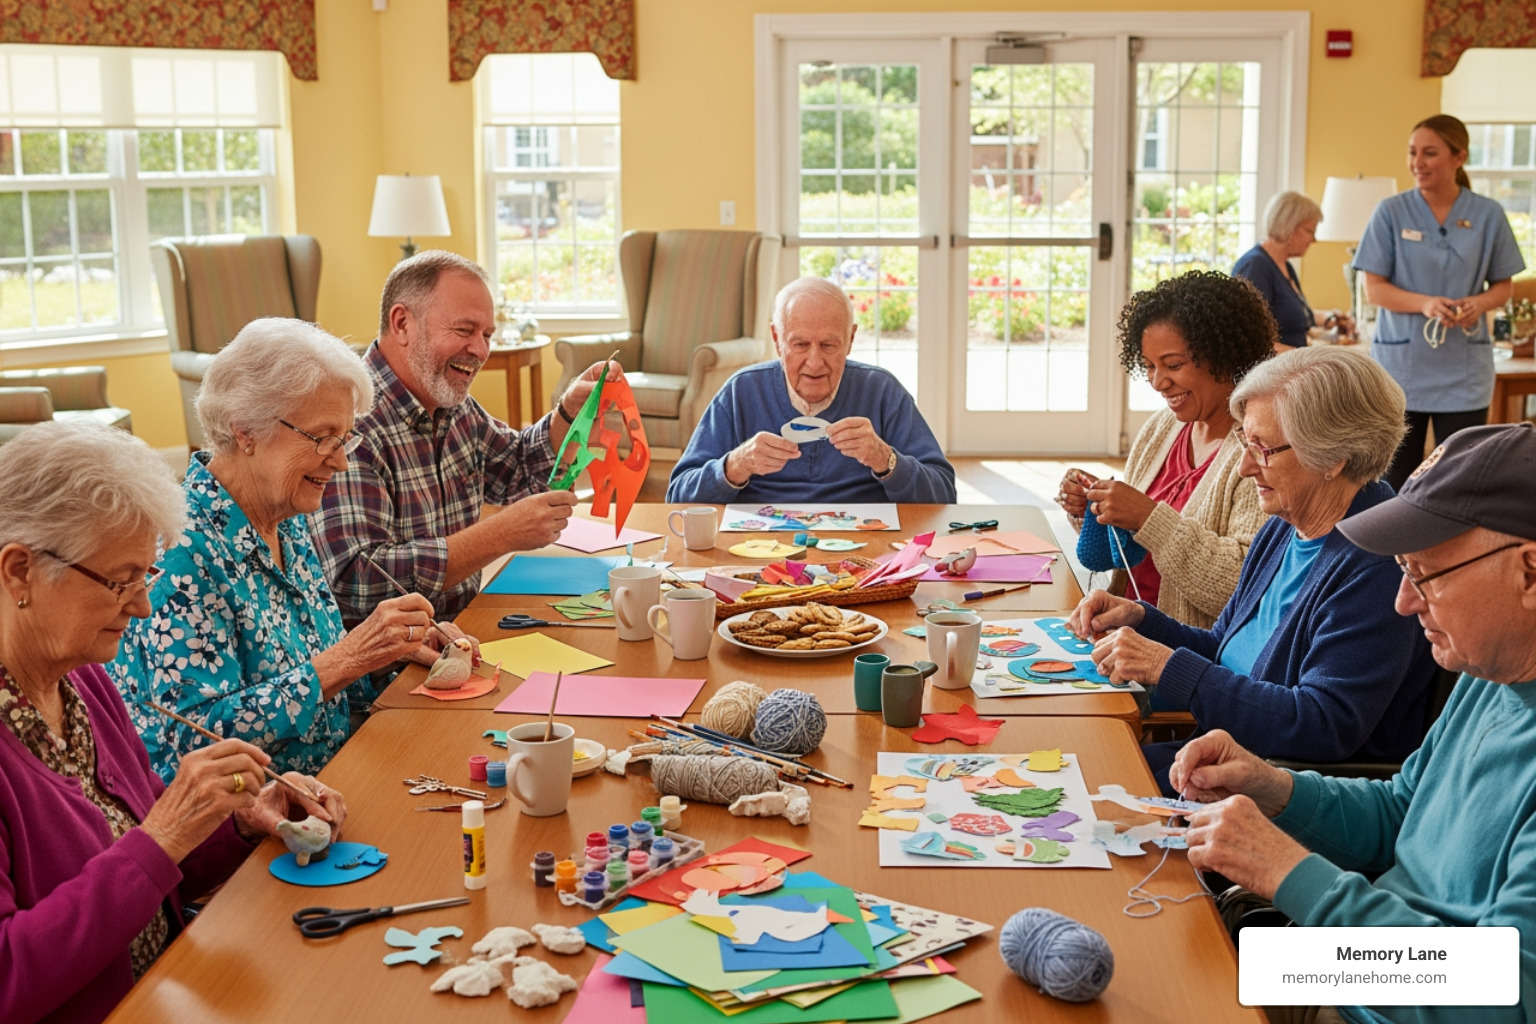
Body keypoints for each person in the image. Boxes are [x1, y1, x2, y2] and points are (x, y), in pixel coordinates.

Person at [1173, 422, 1536, 1024]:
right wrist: (1272, 787)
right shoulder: (1491, 668)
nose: (1403, 602)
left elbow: (1505, 997)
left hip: (1378, 991)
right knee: (1147, 955)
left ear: (1529, 573)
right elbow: (1402, 813)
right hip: (1348, 967)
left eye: (1426, 574)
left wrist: (1289, 873)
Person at [0, 421, 347, 1024]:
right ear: (19, 571)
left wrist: (240, 822)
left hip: (170, 988)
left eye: (146, 577)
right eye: (120, 581)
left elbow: (153, 877)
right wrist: (162, 836)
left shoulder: (83, 682)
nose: (141, 606)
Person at [1070, 347, 1437, 793]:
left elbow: (1323, 725)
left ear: (1332, 457)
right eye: (1245, 442)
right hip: (1221, 757)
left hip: (1278, 790)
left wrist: (1167, 666)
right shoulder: (1285, 526)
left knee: (1076, 786)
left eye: (1262, 449)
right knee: (1072, 765)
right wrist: (1144, 621)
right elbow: (1224, 650)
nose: (1245, 466)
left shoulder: (1379, 564)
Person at [110, 319, 439, 779]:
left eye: (345, 438)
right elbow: (197, 738)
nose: (341, 461)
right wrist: (349, 658)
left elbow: (315, 680)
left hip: (336, 773)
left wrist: (390, 653)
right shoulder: (180, 551)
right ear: (246, 430)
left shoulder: (286, 517)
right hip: (249, 809)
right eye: (323, 437)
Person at [311, 251, 620, 627]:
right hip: (395, 655)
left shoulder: (451, 403)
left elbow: (518, 471)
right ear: (402, 323)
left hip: (464, 630)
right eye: (464, 330)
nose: (481, 350)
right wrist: (498, 536)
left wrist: (568, 413)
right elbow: (357, 581)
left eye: (487, 334)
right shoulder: (350, 422)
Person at [1057, 271, 1273, 629]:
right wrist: (1096, 509)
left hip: (1186, 652)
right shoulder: (1162, 429)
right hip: (1125, 632)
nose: (1158, 382)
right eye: (1149, 367)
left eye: (1173, 365)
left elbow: (1242, 589)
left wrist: (1147, 516)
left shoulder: (1261, 452)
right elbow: (1130, 553)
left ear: (1226, 356)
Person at [666, 277, 956, 504]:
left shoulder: (882, 391)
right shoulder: (740, 391)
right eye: (800, 344)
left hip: (863, 545)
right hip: (759, 545)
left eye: (829, 345)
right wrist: (734, 466)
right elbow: (678, 496)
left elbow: (943, 495)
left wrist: (886, 459)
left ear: (850, 339)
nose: (815, 362)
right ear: (777, 339)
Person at [1355, 114, 1525, 491]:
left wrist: (1478, 304)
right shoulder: (1390, 212)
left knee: (1458, 481)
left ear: (1459, 157)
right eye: (1412, 152)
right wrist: (1426, 304)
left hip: (1463, 372)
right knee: (1394, 481)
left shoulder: (1488, 215)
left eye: (1429, 153)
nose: (1417, 162)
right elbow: (1375, 290)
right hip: (1402, 368)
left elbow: (1503, 287)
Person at [1232, 191, 1354, 350]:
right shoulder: (1254, 267)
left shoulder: (1285, 266)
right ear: (1289, 226)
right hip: (1278, 364)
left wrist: (1329, 319)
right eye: (1310, 231)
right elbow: (1250, 341)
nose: (1313, 240)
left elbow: (1290, 317)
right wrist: (1303, 357)